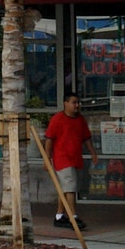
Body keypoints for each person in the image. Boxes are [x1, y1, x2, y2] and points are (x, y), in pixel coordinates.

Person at [45, 94, 91, 231]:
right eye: (74, 102)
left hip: (76, 158)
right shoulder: (57, 119)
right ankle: (73, 217)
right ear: (65, 103)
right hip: (62, 159)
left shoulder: (80, 119)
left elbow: (86, 138)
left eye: (78, 102)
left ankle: (59, 216)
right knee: (70, 188)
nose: (77, 105)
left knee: (65, 189)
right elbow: (49, 139)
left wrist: (93, 153)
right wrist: (47, 158)